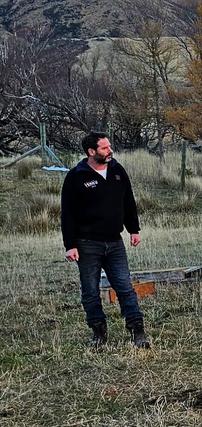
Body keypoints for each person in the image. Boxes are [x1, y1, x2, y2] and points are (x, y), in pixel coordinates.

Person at [61, 133, 150, 348]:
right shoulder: (76, 177)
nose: (110, 151)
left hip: (115, 242)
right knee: (90, 292)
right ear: (91, 152)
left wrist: (134, 229)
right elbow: (68, 214)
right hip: (87, 244)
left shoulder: (118, 171)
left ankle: (138, 332)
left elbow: (128, 201)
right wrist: (70, 245)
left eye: (109, 146)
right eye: (104, 148)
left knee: (125, 288)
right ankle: (99, 334)